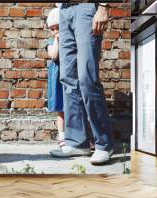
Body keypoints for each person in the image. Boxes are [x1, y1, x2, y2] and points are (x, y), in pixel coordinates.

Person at [50, 3, 114, 165]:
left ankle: (104, 144)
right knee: (68, 78)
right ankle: (77, 142)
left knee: (87, 78)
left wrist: (103, 7)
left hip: (86, 7)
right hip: (64, 11)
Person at [46, 8, 65, 147]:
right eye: (52, 29)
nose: (55, 31)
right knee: (61, 108)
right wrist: (57, 40)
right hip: (58, 76)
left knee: (76, 107)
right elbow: (53, 55)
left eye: (58, 28)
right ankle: (62, 136)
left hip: (71, 75)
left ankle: (79, 136)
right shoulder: (50, 41)